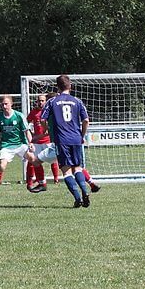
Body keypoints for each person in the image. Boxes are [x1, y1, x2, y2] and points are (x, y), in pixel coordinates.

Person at [40, 74, 92, 208]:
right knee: (78, 168)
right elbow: (86, 120)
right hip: (76, 139)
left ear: (57, 87)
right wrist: (82, 135)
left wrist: (47, 129)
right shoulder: (77, 101)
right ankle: (85, 191)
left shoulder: (52, 101)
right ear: (70, 86)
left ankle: (78, 198)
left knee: (66, 171)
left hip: (61, 140)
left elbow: (42, 119)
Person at [0, 95, 34, 194]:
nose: (4, 106)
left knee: (32, 158)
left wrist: (31, 143)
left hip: (20, 144)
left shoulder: (19, 115)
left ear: (11, 104)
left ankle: (29, 183)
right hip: (6, 146)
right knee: (2, 166)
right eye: (2, 104)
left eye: (6, 104)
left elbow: (27, 131)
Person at [26, 93, 60, 190]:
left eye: (42, 101)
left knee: (54, 161)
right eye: (39, 101)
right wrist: (31, 134)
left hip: (48, 141)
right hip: (37, 142)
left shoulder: (50, 112)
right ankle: (30, 181)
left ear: (46, 101)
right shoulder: (33, 112)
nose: (40, 102)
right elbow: (26, 123)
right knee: (32, 161)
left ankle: (56, 179)